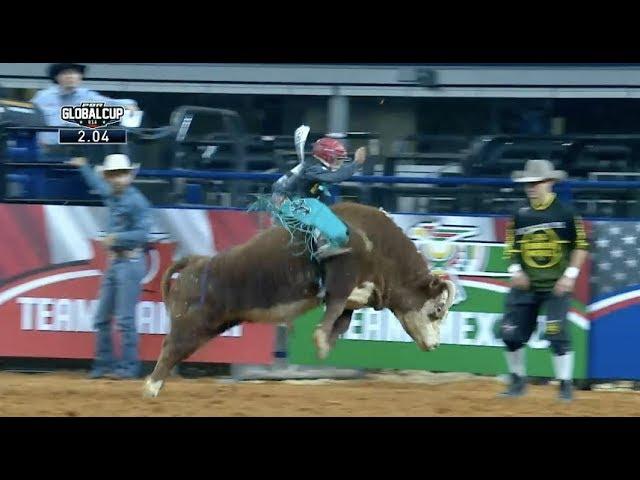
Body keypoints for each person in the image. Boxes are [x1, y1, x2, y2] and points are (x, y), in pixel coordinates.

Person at [499, 159, 589, 402]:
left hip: (556, 284)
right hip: (526, 285)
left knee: (556, 333)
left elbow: (581, 246)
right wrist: (516, 270)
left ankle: (565, 385)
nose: (531, 187)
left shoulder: (566, 213)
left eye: (536, 183)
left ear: (550, 183)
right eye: (528, 183)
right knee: (509, 334)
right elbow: (512, 247)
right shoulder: (519, 214)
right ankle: (517, 380)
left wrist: (569, 276)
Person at [67, 154, 151, 379]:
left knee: (123, 319)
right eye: (112, 175)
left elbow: (144, 234)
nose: (116, 179)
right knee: (102, 318)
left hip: (129, 262)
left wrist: (117, 238)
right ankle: (106, 364)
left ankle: (127, 368)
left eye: (120, 174)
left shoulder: (137, 202)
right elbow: (97, 185)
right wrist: (84, 167)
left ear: (129, 176)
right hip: (118, 262)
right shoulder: (114, 195)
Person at [270, 135, 366, 261]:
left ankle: (322, 242)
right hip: (286, 205)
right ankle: (324, 246)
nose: (340, 164)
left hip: (293, 203)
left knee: (323, 210)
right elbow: (335, 177)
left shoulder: (312, 167)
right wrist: (356, 164)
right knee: (318, 208)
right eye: (338, 159)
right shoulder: (313, 169)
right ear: (327, 157)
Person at [31, 63, 138, 157]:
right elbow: (28, 115)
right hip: (47, 148)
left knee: (117, 136)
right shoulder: (43, 96)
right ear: (57, 77)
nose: (70, 76)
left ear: (80, 77)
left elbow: (111, 102)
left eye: (75, 73)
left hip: (77, 147)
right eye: (65, 73)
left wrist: (129, 104)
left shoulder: (86, 95)